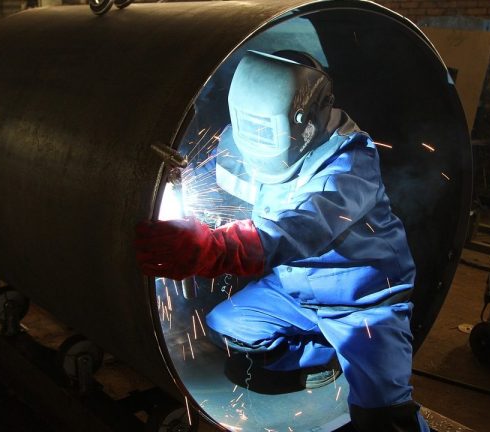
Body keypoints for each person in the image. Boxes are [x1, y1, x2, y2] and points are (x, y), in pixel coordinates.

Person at [135, 50, 430, 432]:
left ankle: (353, 352)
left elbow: (303, 226)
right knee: (227, 325)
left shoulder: (348, 162)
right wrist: (180, 176)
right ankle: (325, 355)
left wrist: (219, 246)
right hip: (292, 288)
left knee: (383, 417)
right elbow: (219, 177)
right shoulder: (244, 141)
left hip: (362, 301)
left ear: (307, 115)